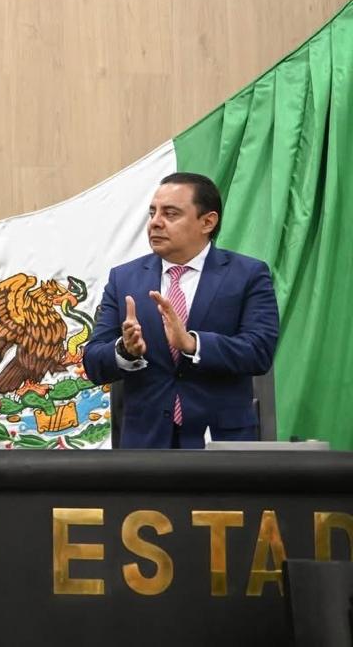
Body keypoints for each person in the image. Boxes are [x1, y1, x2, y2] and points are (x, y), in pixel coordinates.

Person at [84, 173, 279, 449]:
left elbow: (259, 352)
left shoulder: (247, 274)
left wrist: (193, 344)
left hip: (221, 445)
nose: (155, 222)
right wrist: (125, 352)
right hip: (146, 446)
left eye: (170, 213)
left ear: (207, 222)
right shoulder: (124, 279)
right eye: (152, 213)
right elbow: (93, 362)